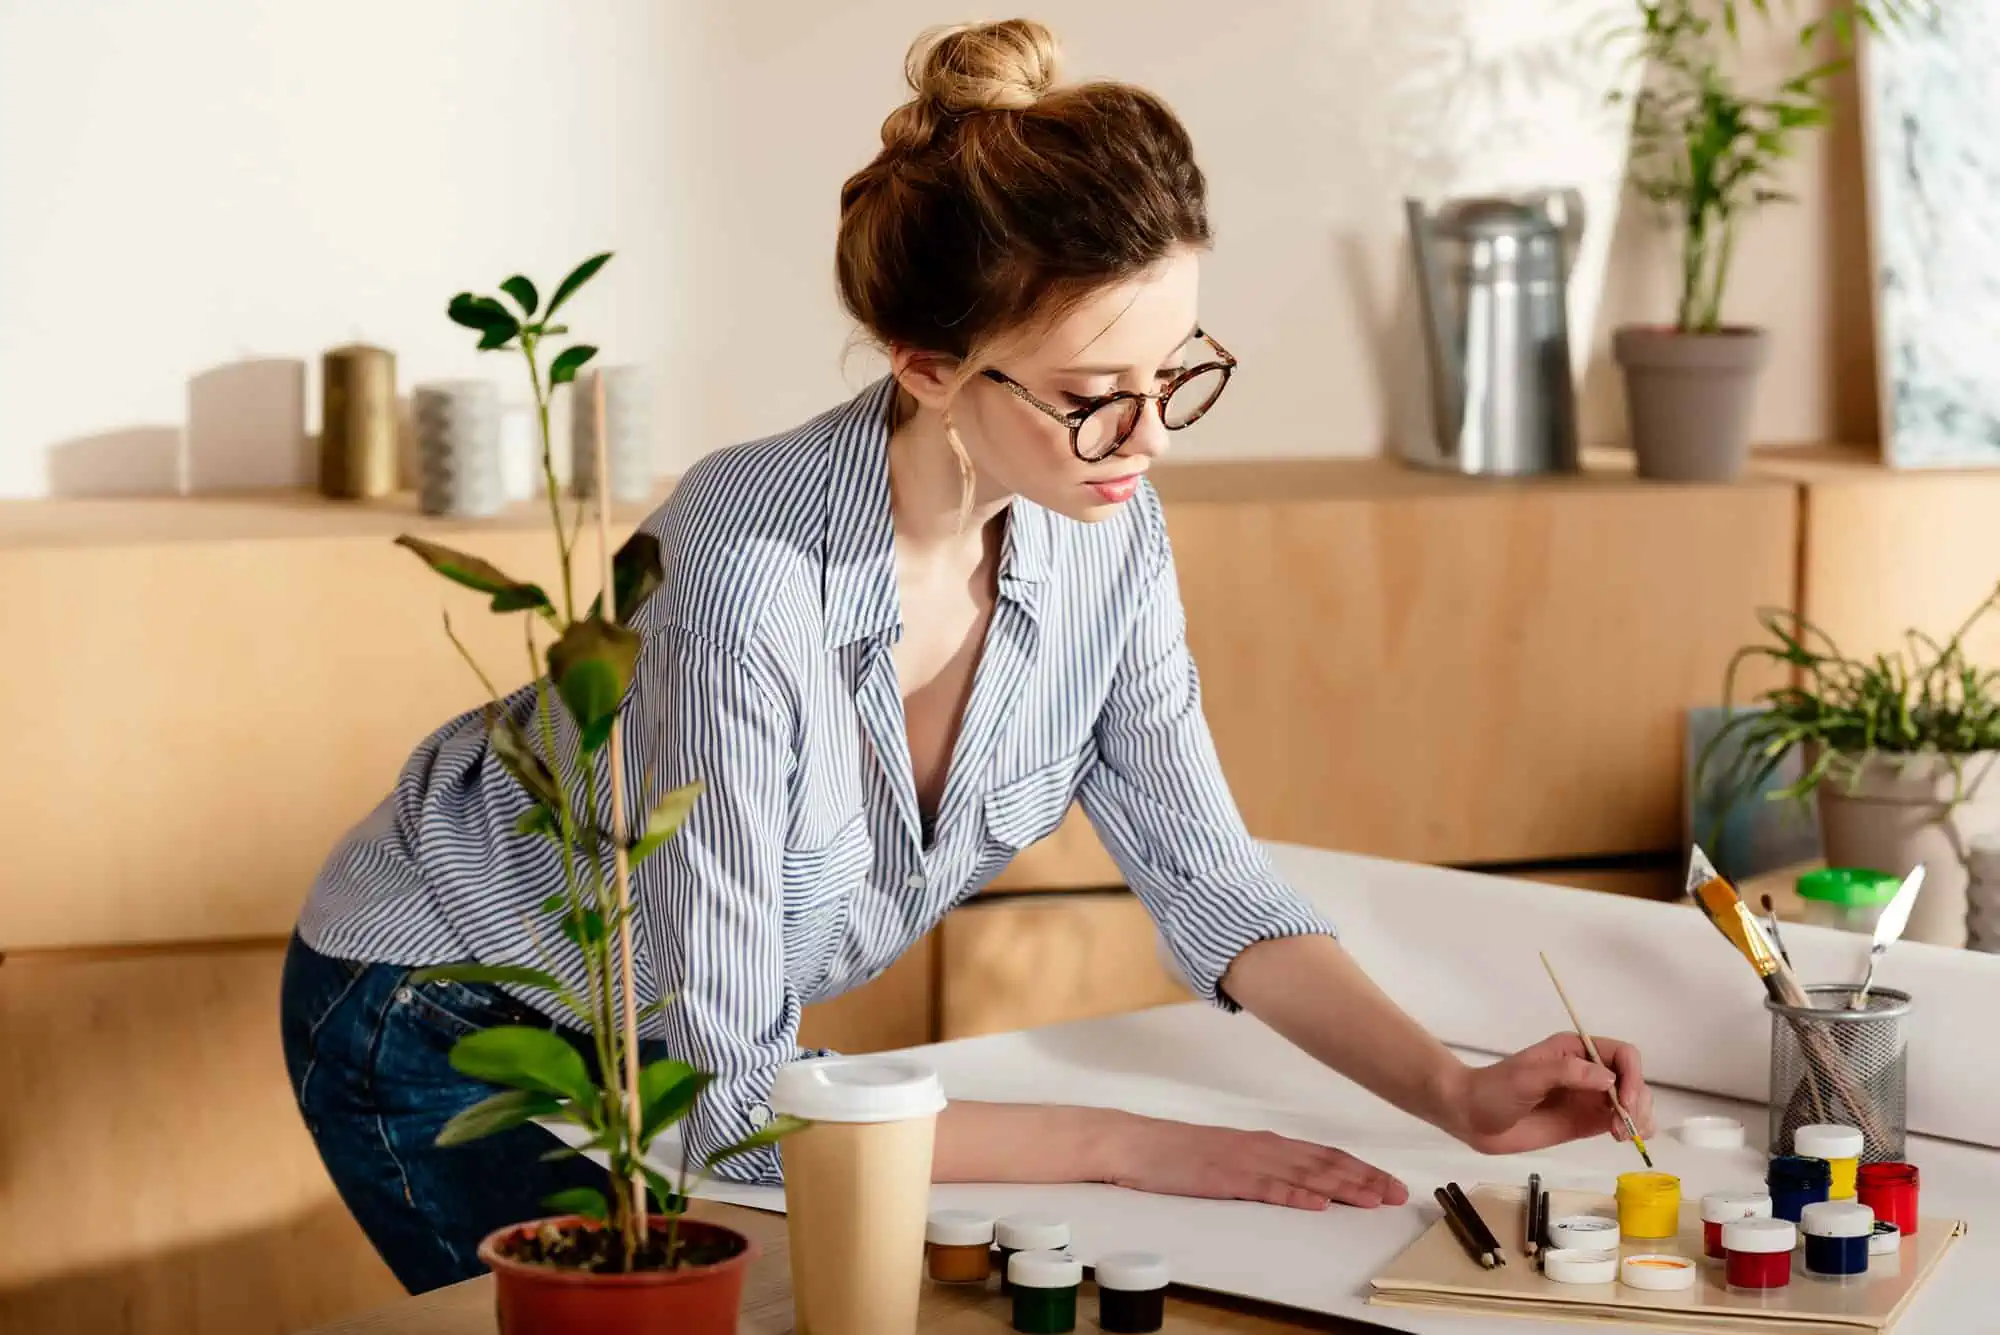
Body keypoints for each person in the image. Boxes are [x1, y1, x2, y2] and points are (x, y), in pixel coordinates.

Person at [280, 16, 1656, 1295]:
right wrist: (1131, 1142)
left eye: (1175, 371)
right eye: (1090, 398)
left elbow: (1211, 877)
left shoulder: (1108, 533)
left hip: (697, 1045)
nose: (1151, 438)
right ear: (926, 363)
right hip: (451, 1008)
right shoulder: (746, 572)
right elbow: (726, 1096)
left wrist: (1454, 1089)